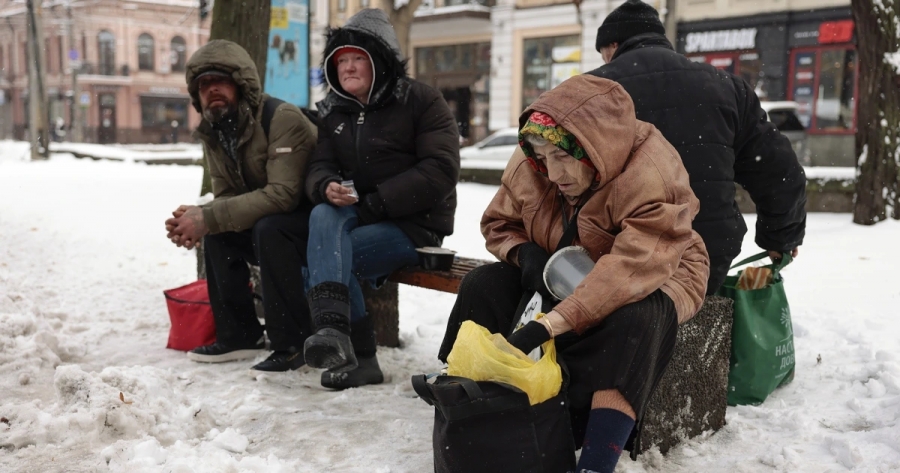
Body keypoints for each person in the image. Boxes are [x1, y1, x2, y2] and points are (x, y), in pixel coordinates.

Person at [438, 75, 710, 473]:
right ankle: (464, 397)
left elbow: (629, 269)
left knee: (636, 319)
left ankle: (598, 456)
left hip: (658, 265)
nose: (553, 171)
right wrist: (524, 253)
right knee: (484, 284)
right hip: (559, 262)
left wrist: (548, 326)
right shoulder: (535, 157)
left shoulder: (651, 172)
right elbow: (498, 223)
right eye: (543, 158)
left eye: (563, 157)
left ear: (592, 147)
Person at [589, 0, 806, 294]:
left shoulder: (591, 91)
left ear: (613, 45)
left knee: (628, 329)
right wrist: (780, 238)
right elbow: (780, 170)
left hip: (617, 251)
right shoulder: (725, 86)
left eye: (603, 53)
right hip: (706, 251)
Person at [302, 9, 460, 390]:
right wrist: (326, 186)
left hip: (413, 225)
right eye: (342, 60)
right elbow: (319, 165)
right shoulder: (333, 111)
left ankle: (362, 356)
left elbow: (440, 170)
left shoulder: (421, 100)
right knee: (324, 216)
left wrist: (376, 203)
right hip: (359, 215)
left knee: (328, 262)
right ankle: (335, 333)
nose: (349, 67)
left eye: (359, 58)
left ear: (381, 62)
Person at [165, 40, 318, 372]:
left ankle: (291, 342)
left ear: (242, 84)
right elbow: (226, 198)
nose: (212, 89)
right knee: (220, 234)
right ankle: (239, 335)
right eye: (204, 84)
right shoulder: (216, 131)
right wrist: (196, 219)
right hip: (274, 225)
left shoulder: (282, 118)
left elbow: (283, 196)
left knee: (269, 228)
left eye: (221, 80)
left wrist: (208, 217)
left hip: (316, 224)